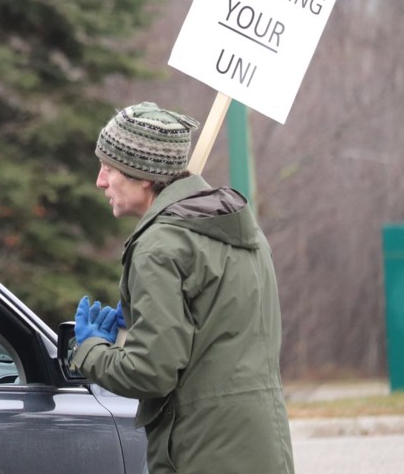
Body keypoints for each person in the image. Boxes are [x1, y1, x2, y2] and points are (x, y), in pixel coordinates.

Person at [71, 101, 295, 474]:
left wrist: (91, 351)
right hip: (263, 447)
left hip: (202, 453)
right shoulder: (243, 232)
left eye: (109, 167)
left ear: (143, 175)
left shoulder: (159, 246)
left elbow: (151, 372)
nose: (100, 181)